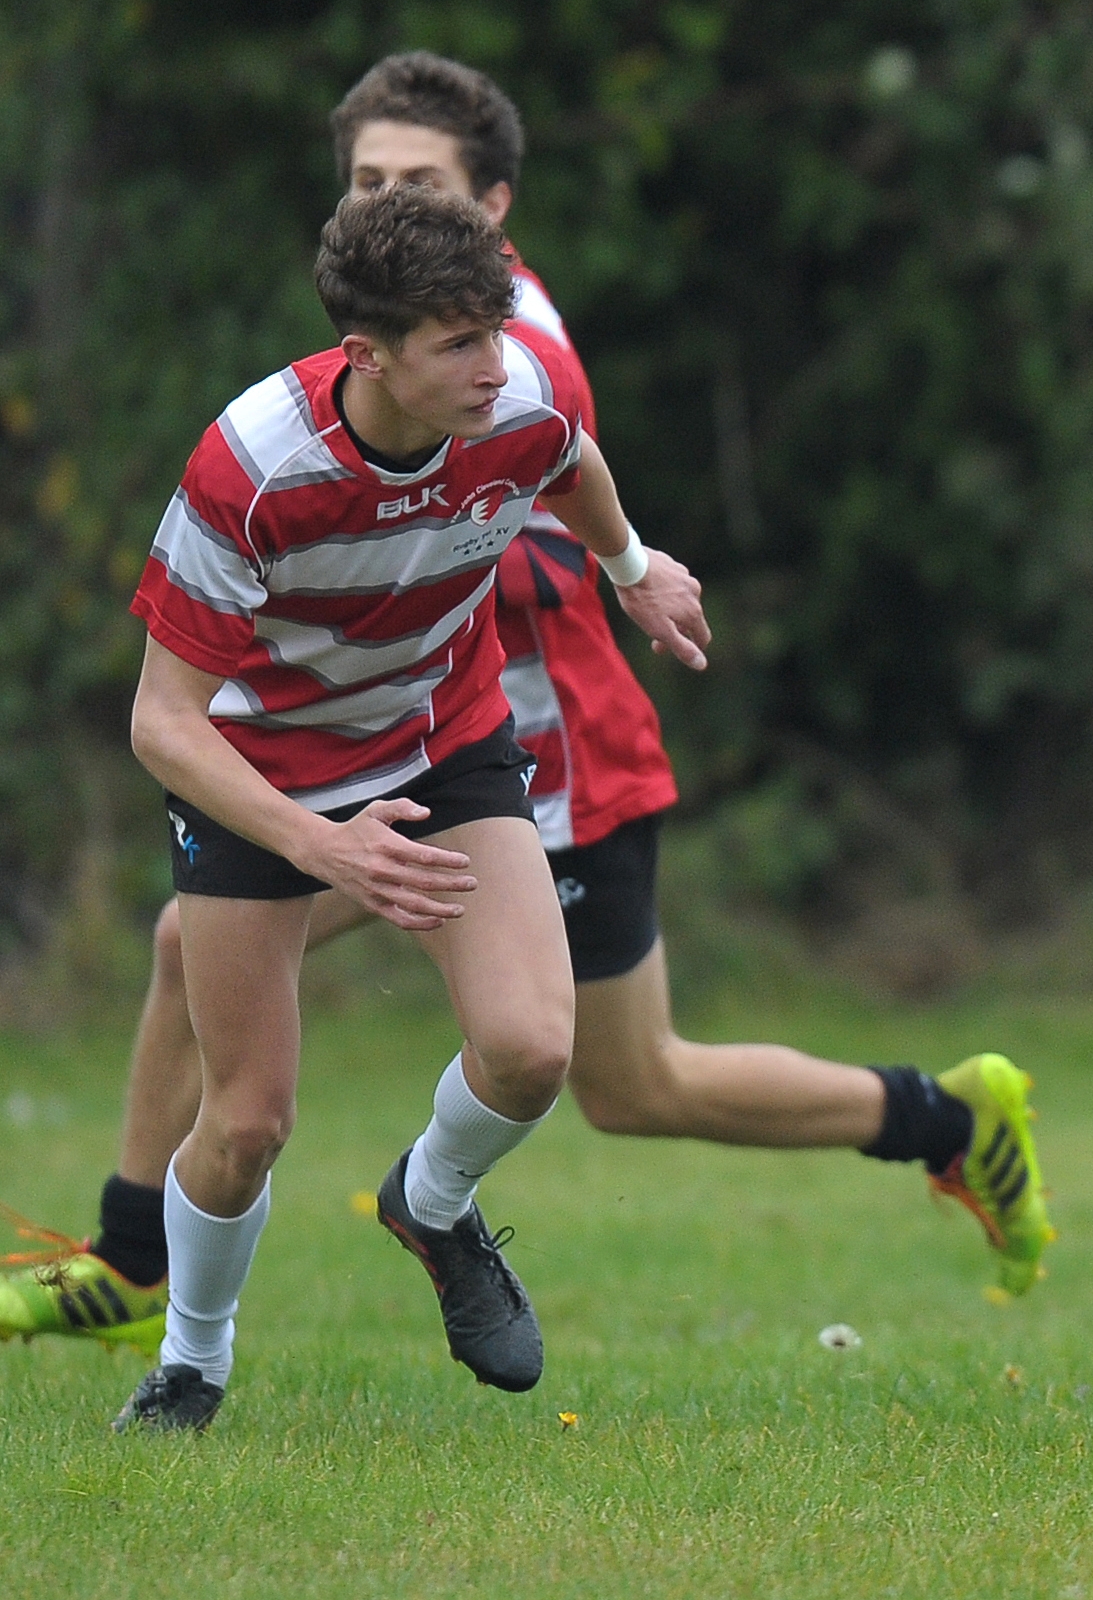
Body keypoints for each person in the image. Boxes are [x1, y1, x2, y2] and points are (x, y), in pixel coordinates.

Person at [2, 57, 1052, 1366]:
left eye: (417, 182)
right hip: (354, 742)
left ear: (492, 202)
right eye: (367, 179)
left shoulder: (499, 365)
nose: (383, 199)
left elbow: (553, 463)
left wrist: (627, 570)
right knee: (213, 960)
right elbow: (184, 699)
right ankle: (148, 1266)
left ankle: (933, 1123)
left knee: (614, 1075)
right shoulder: (338, 393)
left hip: (548, 747)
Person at [93, 186, 704, 1432]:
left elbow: (571, 459)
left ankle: (428, 1202)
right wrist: (320, 844)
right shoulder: (256, 465)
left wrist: (631, 567)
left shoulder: (517, 396)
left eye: (496, 330)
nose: (496, 366)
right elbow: (163, 721)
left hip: (443, 735)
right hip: (259, 770)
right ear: (368, 355)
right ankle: (191, 1363)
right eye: (458, 344)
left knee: (535, 1049)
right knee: (247, 1119)